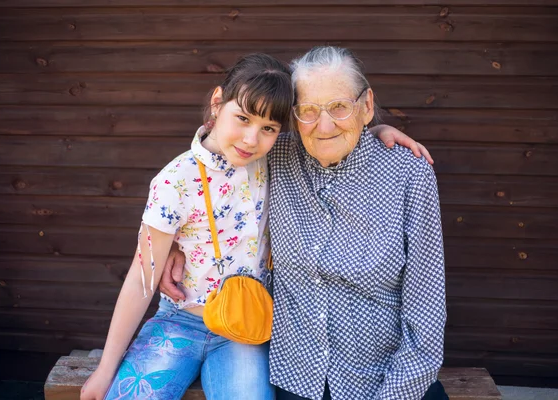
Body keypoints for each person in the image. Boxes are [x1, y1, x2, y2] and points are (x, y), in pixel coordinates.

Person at [80, 51, 425, 400]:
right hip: (180, 321)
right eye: (242, 119)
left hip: (245, 328)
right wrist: (107, 367)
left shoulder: (270, 159)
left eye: (268, 128)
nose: (250, 139)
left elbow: (331, 137)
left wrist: (375, 129)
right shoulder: (174, 181)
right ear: (218, 102)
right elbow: (142, 277)